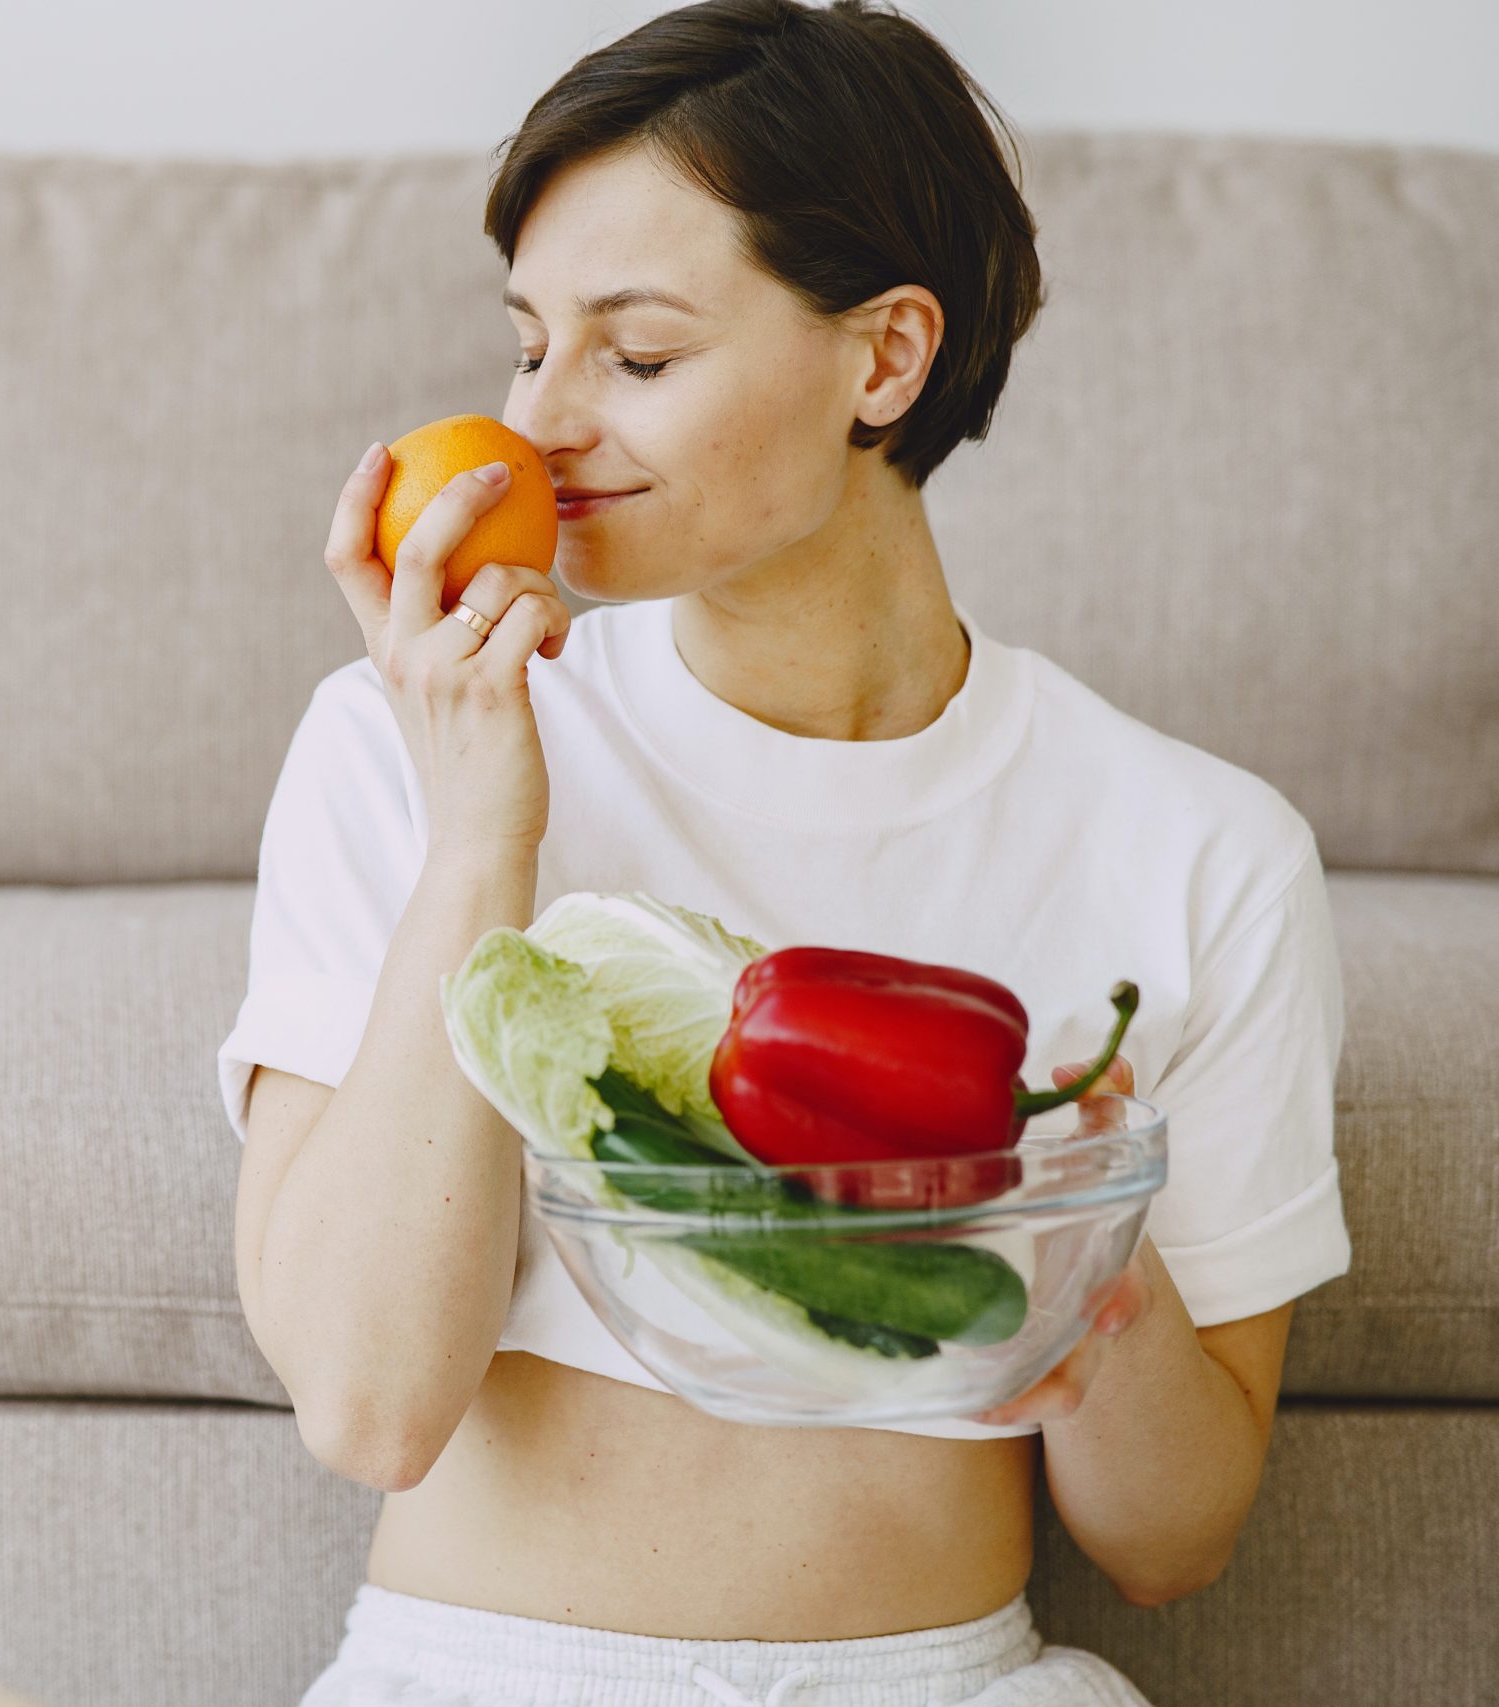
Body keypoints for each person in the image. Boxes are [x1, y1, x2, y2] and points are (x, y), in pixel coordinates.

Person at [213, 3, 1354, 1703]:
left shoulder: (1201, 852)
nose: (539, 425)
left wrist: (1069, 1245)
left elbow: (1170, 1542)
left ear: (884, 361)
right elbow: (372, 1406)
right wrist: (480, 832)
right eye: (529, 344)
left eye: (640, 357)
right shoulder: (406, 738)